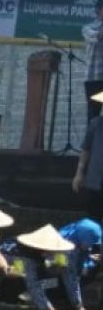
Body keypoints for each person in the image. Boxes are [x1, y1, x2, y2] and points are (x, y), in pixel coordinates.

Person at [0, 225, 77, 310]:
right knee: (20, 278)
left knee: (49, 279)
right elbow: (34, 285)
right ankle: (4, 303)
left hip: (13, 272)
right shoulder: (26, 256)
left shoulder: (32, 250)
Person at [55, 218, 102, 310]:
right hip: (56, 272)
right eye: (91, 242)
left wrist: (92, 257)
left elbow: (88, 248)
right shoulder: (67, 249)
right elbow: (71, 279)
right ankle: (63, 303)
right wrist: (79, 306)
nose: (93, 245)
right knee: (64, 281)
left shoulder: (78, 233)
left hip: (72, 264)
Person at [72, 91, 103, 222]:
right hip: (96, 180)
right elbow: (86, 150)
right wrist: (79, 173)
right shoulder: (95, 123)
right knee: (94, 218)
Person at [84, 0, 103, 123]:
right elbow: (97, 36)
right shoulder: (88, 27)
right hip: (95, 80)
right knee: (94, 115)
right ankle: (91, 143)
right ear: (98, 11)